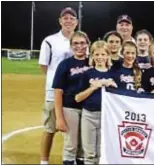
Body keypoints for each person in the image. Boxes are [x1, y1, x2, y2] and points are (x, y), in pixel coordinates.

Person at [38, 7, 78, 165]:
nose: (68, 20)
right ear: (60, 21)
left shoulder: (82, 40)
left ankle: (72, 158)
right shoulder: (50, 40)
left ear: (77, 22)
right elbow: (44, 66)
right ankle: (44, 161)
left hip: (75, 91)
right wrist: (57, 81)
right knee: (50, 129)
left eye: (71, 18)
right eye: (65, 18)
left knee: (74, 128)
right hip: (53, 92)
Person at [75, 40, 117, 165]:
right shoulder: (88, 74)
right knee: (89, 154)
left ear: (108, 56)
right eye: (97, 55)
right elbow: (78, 98)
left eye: (103, 54)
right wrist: (93, 87)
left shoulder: (113, 74)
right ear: (92, 56)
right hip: (89, 115)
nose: (100, 58)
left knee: (101, 152)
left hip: (107, 117)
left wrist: (112, 85)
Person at [52, 31, 90, 165]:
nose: (79, 46)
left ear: (88, 44)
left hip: (89, 110)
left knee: (84, 147)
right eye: (75, 43)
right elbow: (57, 92)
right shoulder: (65, 64)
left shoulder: (93, 61)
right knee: (70, 145)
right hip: (70, 108)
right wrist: (59, 118)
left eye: (82, 43)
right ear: (71, 45)